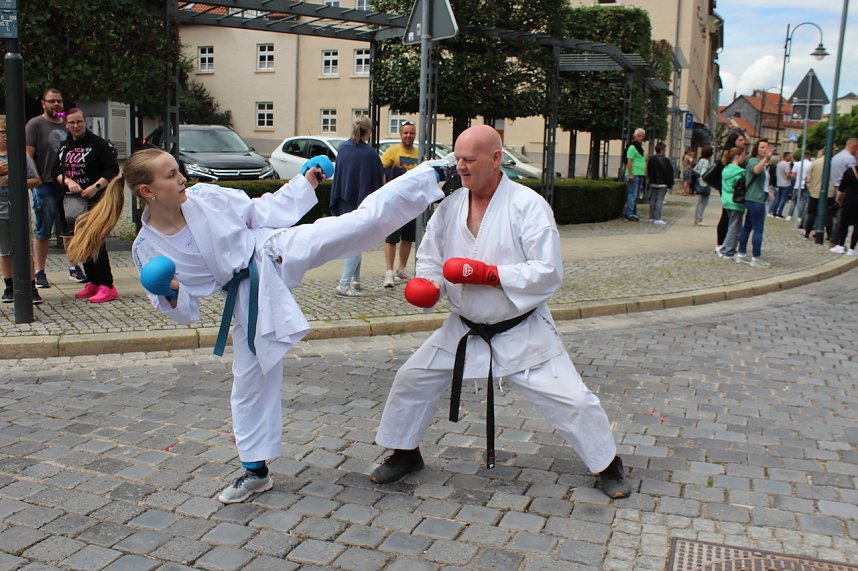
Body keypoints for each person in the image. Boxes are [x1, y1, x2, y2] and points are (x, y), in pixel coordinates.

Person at [67, 147, 446, 503]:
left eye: (178, 170)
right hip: (245, 297)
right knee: (250, 378)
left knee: (355, 226)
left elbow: (259, 212)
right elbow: (185, 311)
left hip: (271, 250)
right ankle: (255, 470)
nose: (182, 178)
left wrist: (305, 183)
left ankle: (435, 174)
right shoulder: (146, 249)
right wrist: (170, 292)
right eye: (171, 175)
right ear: (148, 191)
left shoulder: (206, 199)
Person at [369, 125, 632, 500]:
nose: (459, 166)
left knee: (573, 400)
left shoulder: (528, 206)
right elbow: (431, 255)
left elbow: (549, 271)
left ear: (496, 159)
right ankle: (405, 452)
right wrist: (430, 284)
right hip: (464, 328)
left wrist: (492, 275)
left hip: (522, 331)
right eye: (457, 158)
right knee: (412, 378)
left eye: (468, 159)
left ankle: (608, 464)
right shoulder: (451, 206)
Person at [54, 109, 120, 303]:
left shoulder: (98, 144)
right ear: (66, 125)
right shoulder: (64, 146)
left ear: (85, 123)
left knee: (96, 241)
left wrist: (95, 187)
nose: (75, 126)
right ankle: (92, 281)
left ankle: (107, 285)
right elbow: (55, 171)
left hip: (96, 200)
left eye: (79, 122)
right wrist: (68, 182)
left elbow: (113, 170)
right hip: (74, 202)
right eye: (71, 123)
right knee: (83, 241)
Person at [25, 87, 87, 288]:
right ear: (43, 103)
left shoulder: (67, 123)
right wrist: (36, 180)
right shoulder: (35, 124)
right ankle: (39, 271)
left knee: (70, 227)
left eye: (59, 101)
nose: (56, 104)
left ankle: (73, 267)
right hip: (45, 185)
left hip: (69, 184)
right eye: (51, 101)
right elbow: (28, 155)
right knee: (43, 228)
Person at [328, 116, 384, 296]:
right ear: (368, 131)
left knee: (354, 240)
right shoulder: (370, 154)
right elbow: (377, 182)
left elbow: (340, 176)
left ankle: (355, 280)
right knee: (357, 243)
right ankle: (344, 285)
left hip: (344, 199)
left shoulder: (343, 149)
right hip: (361, 203)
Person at [0, 115, 44, 304]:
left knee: (25, 249)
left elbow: (36, 180)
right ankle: (9, 285)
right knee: (5, 249)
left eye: (8, 133)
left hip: (18, 209)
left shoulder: (20, 154)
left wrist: (18, 181)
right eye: (2, 132)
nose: (5, 136)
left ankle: (31, 286)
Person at [381, 121, 419, 288]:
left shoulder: (419, 154)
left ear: (415, 134)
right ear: (400, 134)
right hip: (395, 202)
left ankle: (401, 269)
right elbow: (382, 173)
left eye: (411, 133)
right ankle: (389, 272)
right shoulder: (392, 152)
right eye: (405, 133)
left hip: (411, 203)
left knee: (408, 238)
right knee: (391, 238)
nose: (408, 136)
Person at [735, 139, 774, 268]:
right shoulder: (753, 161)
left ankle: (741, 253)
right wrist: (765, 159)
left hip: (757, 198)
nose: (765, 149)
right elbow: (756, 170)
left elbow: (761, 181)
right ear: (756, 149)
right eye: (762, 147)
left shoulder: (762, 163)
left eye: (766, 147)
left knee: (747, 226)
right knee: (758, 230)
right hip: (755, 200)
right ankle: (755, 257)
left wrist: (768, 191)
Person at [715, 131, 747, 253]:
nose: (743, 142)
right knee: (730, 222)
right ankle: (725, 246)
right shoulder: (732, 163)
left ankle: (725, 244)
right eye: (740, 140)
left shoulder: (730, 164)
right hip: (732, 196)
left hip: (727, 194)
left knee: (730, 220)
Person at [828, 138, 858, 253]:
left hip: (845, 193)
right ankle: (851, 249)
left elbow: (842, 184)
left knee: (842, 220)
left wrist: (839, 197)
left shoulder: (837, 157)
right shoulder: (849, 159)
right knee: (856, 224)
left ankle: (838, 244)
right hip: (849, 193)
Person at [802, 150, 829, 240]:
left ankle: (807, 232)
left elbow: (808, 177)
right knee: (827, 214)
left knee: (812, 214)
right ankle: (824, 232)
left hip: (815, 192)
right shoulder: (832, 162)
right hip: (829, 193)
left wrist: (810, 188)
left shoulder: (815, 163)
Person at [646, 142, 673, 224]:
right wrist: (670, 184)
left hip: (653, 182)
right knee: (659, 200)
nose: (665, 151)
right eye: (664, 149)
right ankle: (657, 218)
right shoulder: (666, 160)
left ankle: (651, 217)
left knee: (653, 200)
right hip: (662, 183)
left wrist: (649, 180)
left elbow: (648, 170)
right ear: (661, 150)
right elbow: (670, 172)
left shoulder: (651, 159)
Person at [624, 128, 646, 221]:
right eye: (639, 136)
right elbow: (629, 161)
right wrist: (631, 174)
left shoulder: (640, 148)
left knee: (636, 195)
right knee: (632, 194)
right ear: (634, 136)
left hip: (639, 174)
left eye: (642, 136)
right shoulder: (632, 147)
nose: (641, 138)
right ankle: (629, 213)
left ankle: (633, 211)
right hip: (633, 174)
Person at [693, 145, 714, 225]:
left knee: (699, 201)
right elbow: (703, 173)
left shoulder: (701, 160)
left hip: (699, 182)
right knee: (703, 202)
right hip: (704, 184)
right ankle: (699, 219)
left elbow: (695, 169)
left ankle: (697, 218)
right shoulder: (706, 162)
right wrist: (707, 181)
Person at [789, 151, 811, 224]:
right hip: (806, 185)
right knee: (803, 202)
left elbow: (793, 175)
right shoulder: (811, 164)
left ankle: (790, 215)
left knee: (794, 200)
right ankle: (799, 216)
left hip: (797, 185)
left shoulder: (797, 164)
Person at [770, 152, 793, 219]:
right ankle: (779, 212)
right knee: (783, 199)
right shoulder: (786, 165)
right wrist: (792, 175)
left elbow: (776, 174)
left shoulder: (779, 164)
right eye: (790, 157)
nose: (791, 158)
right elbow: (788, 175)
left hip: (779, 183)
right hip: (785, 184)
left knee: (778, 198)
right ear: (786, 157)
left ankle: (774, 211)